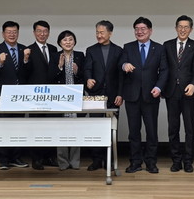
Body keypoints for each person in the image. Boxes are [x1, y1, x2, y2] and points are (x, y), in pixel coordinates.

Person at [119, 17, 169, 174]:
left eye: (143, 29)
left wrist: (159, 87)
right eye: (136, 29)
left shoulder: (159, 48)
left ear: (150, 31)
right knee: (134, 132)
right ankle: (135, 162)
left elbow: (164, 70)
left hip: (151, 95)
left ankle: (151, 162)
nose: (139, 32)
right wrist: (124, 65)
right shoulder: (128, 47)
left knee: (151, 131)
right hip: (132, 96)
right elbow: (121, 63)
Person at [0, 21, 31, 170]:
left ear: (18, 33)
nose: (12, 34)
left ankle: (16, 157)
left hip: (20, 95)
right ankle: (3, 159)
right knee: (3, 126)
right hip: (3, 94)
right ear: (3, 34)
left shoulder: (24, 49)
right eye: (9, 32)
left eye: (14, 32)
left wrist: (26, 60)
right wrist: (0, 62)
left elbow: (28, 72)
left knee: (18, 126)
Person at [163, 15, 194, 173]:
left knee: (189, 129)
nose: (183, 29)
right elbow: (164, 68)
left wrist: (193, 84)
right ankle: (176, 160)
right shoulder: (167, 45)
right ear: (175, 28)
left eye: (186, 27)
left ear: (191, 29)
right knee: (173, 128)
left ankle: (188, 161)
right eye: (180, 26)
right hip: (171, 92)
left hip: (189, 92)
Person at [83, 20, 123, 171]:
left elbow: (121, 76)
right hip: (96, 95)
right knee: (95, 128)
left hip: (113, 96)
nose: (99, 35)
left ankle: (109, 160)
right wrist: (88, 79)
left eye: (102, 32)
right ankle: (96, 160)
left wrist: (120, 94)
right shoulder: (91, 50)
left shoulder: (118, 51)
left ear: (110, 33)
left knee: (111, 129)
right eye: (97, 32)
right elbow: (87, 69)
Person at [25, 20, 60, 170]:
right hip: (36, 96)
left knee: (52, 126)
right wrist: (25, 60)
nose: (42, 34)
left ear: (49, 33)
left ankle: (50, 157)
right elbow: (24, 73)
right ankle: (36, 159)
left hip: (52, 95)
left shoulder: (53, 49)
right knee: (36, 127)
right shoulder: (28, 50)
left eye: (45, 31)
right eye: (39, 31)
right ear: (34, 33)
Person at [54, 30, 85, 171]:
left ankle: (75, 161)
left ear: (74, 42)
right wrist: (59, 67)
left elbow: (85, 76)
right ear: (60, 43)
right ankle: (63, 162)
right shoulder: (55, 56)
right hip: (60, 98)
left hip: (76, 97)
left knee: (76, 129)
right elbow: (50, 78)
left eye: (70, 39)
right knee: (61, 130)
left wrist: (77, 72)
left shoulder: (80, 56)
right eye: (65, 40)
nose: (68, 42)